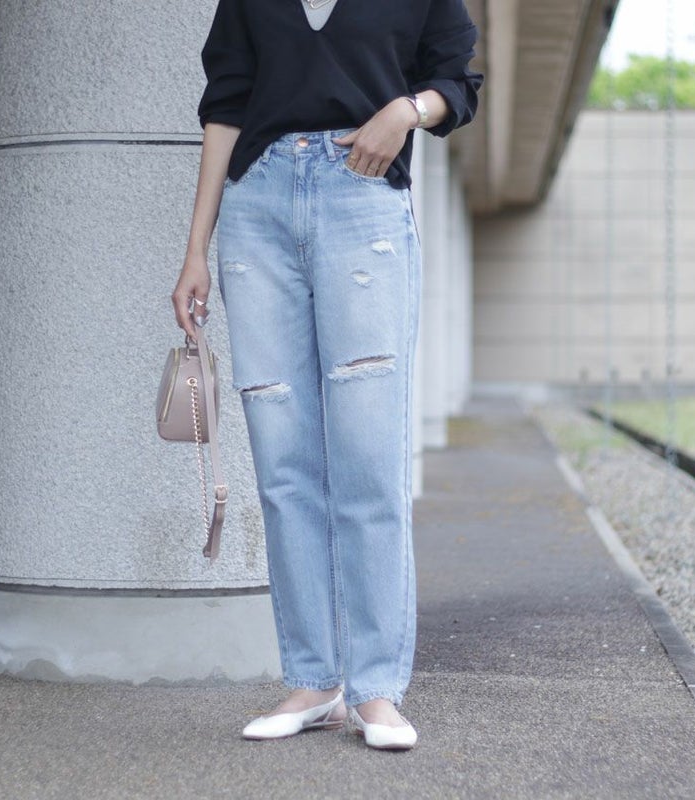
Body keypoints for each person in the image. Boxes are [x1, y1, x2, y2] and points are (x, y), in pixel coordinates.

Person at [172, 0, 483, 750]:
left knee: (368, 461)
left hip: (361, 201)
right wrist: (196, 250)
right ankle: (313, 681)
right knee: (283, 465)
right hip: (257, 211)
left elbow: (459, 83)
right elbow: (225, 108)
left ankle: (377, 689)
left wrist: (405, 112)